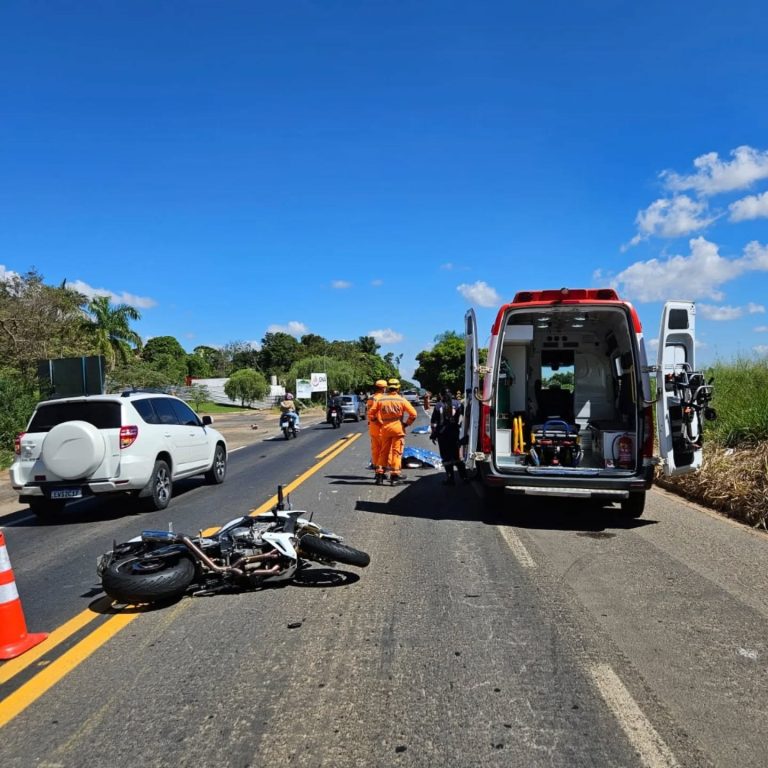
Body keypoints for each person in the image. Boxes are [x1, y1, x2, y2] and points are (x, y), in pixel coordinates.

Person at [368, 378, 417, 485]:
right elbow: (413, 414)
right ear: (398, 388)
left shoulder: (381, 400)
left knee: (383, 452)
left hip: (385, 428)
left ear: (388, 388)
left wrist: (377, 422)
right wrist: (406, 424)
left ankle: (379, 475)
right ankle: (394, 476)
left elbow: (371, 414)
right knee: (396, 452)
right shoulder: (401, 400)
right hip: (398, 429)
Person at [430, 387, 468, 485]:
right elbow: (466, 416)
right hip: (455, 433)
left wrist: (433, 435)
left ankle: (450, 479)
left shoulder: (438, 406)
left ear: (441, 395)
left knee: (446, 457)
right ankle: (464, 477)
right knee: (456, 456)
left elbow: (434, 422)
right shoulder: (458, 403)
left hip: (443, 436)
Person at [367, 379, 388, 475]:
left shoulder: (371, 398)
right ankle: (381, 471)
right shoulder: (385, 398)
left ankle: (377, 470)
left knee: (375, 450)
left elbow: (370, 413)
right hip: (383, 428)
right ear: (384, 388)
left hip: (373, 428)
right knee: (384, 451)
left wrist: (375, 421)